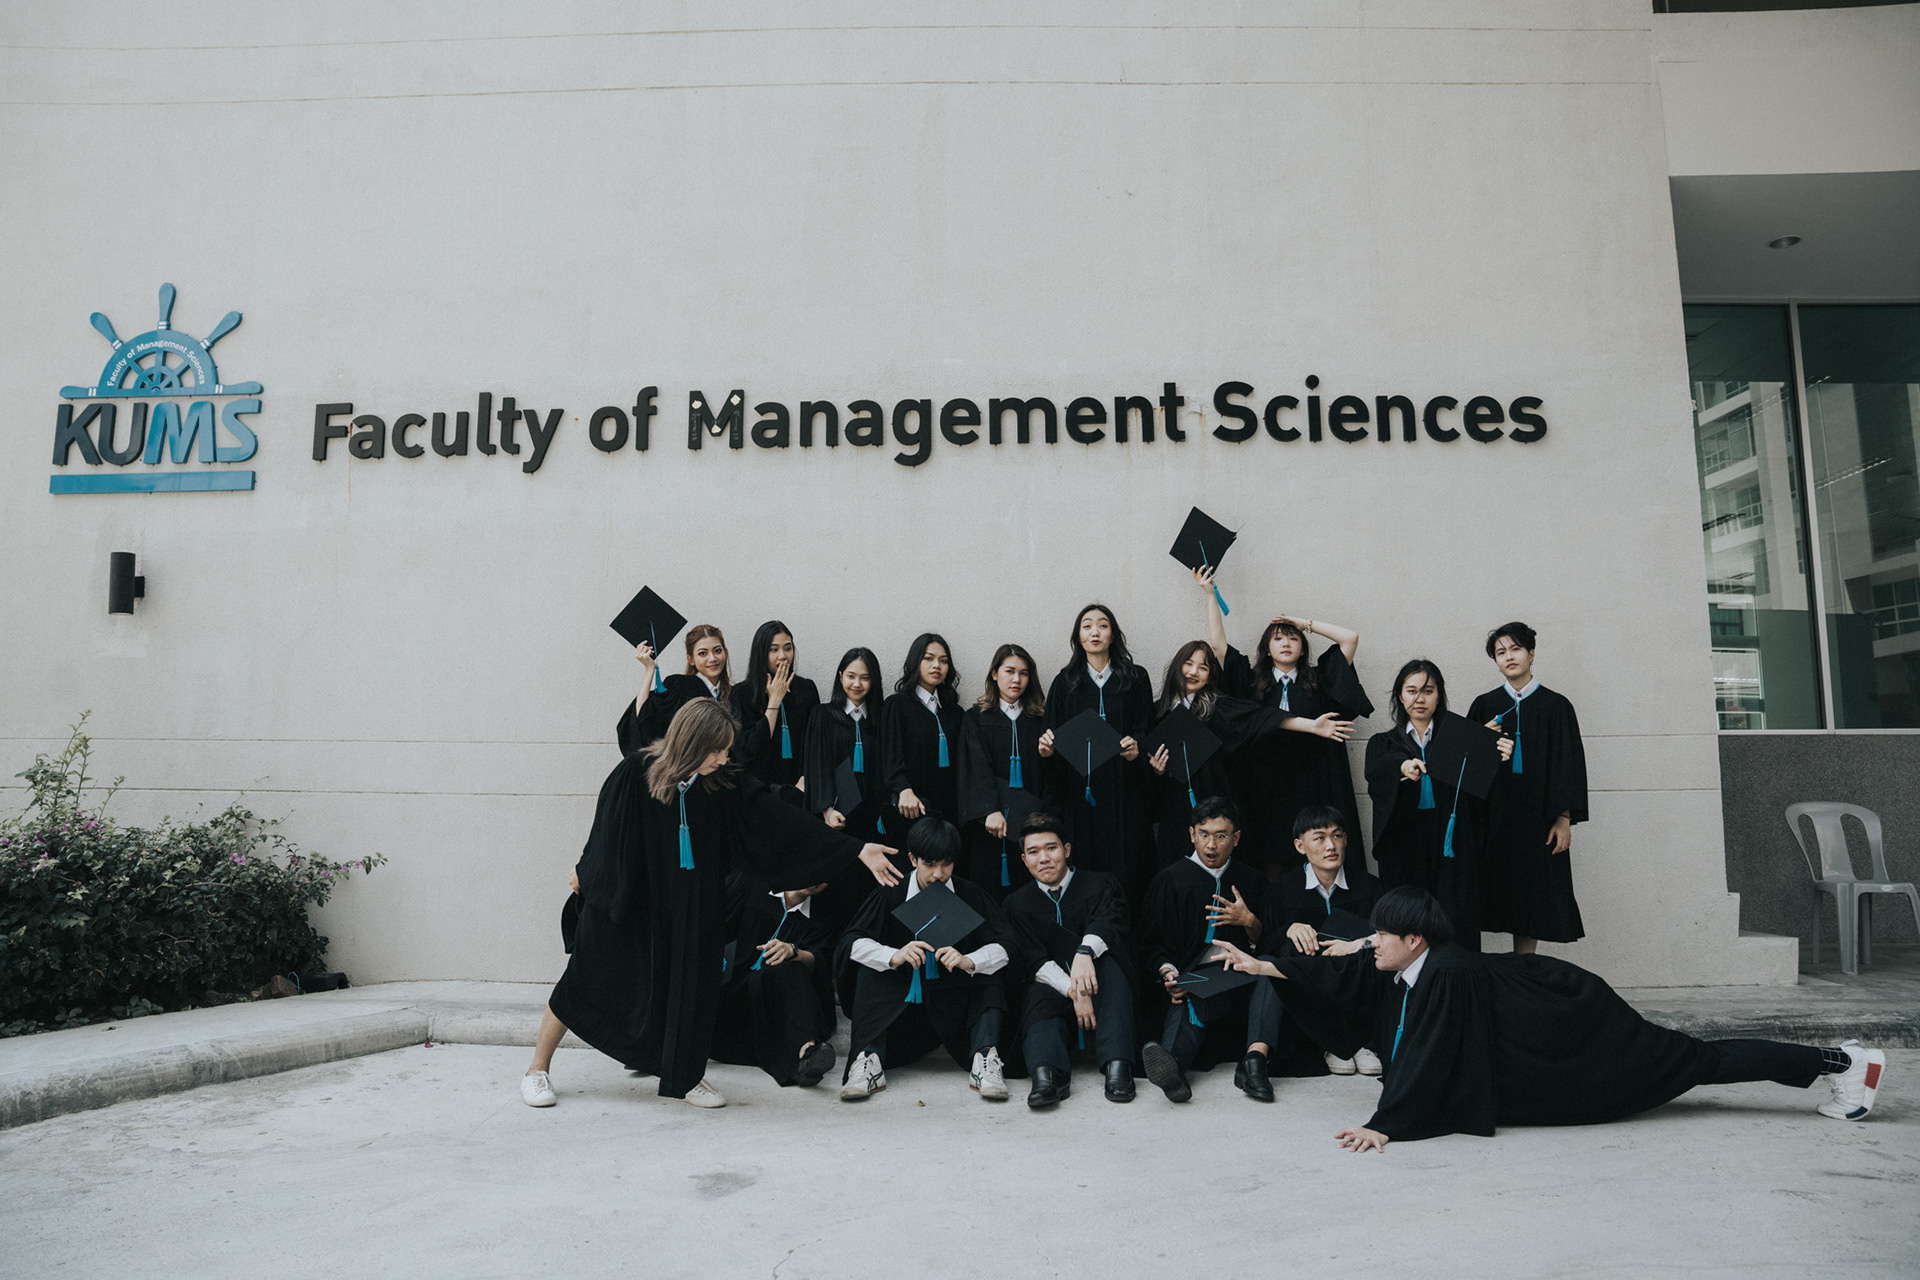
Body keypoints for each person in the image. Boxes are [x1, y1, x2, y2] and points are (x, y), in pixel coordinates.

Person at [1211, 887, 1890, 1150]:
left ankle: (1843, 1061)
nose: (1372, 944)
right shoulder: (1414, 963)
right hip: (1553, 1022)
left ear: (1414, 940)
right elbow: (1345, 976)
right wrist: (1262, 966)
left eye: (1382, 936)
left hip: (1579, 1028)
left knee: (1693, 1060)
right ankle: (1840, 1061)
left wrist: (1385, 1123)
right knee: (1693, 1058)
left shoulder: (1446, 974)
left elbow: (1432, 1055)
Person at [522, 698, 900, 1109]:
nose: (723, 758)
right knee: (584, 976)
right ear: (691, 744)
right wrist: (588, 872)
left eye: (726, 749)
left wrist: (854, 849)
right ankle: (537, 1070)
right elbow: (606, 832)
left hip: (690, 905)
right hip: (631, 899)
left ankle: (685, 1076)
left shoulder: (721, 784)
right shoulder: (635, 772)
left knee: (690, 989)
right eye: (716, 750)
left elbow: (778, 820)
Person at [835, 818, 1013, 1102]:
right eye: (929, 864)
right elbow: (851, 943)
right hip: (901, 1017)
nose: (938, 874)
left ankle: (985, 1058)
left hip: (954, 1013)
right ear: (912, 859)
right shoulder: (890, 894)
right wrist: (893, 955)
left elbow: (1006, 946)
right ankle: (868, 1060)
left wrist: (969, 960)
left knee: (986, 970)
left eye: (946, 864)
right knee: (874, 966)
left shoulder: (970, 896)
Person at [1144, 624, 1349, 871]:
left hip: (1216, 801)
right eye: (1188, 664)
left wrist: (1311, 726)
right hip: (1175, 808)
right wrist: (1156, 771)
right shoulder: (1157, 713)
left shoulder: (1219, 708)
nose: (1194, 672)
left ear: (1210, 676)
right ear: (1177, 667)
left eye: (1203, 667)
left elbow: (1263, 718)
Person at [1207, 577, 1372, 874]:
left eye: (1293, 638)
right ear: (1267, 649)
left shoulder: (1319, 680)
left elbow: (1350, 638)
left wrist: (1303, 623)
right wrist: (1210, 595)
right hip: (1263, 782)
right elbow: (1218, 647)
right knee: (1269, 857)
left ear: (1303, 649)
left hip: (1314, 779)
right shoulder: (1250, 681)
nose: (1286, 643)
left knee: (1315, 850)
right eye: (1278, 639)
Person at [1135, 797, 1284, 1104]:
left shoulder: (1251, 880)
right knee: (1188, 996)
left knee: (1270, 966)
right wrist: (1168, 973)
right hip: (1194, 982)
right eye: (1204, 834)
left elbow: (1270, 941)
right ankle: (1172, 1069)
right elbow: (1151, 943)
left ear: (1236, 838)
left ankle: (1254, 1064)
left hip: (1241, 979)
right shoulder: (1170, 880)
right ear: (1192, 834)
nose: (1211, 845)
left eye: (1221, 835)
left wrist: (1249, 921)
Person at [1364, 659, 1510, 953]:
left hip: (1451, 846)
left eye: (1428, 691)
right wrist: (1403, 767)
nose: (1419, 699)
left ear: (1439, 695)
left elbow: (1481, 793)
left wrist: (1493, 753)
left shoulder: (1458, 740)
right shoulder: (1384, 743)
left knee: (1455, 918)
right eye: (1412, 690)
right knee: (1406, 920)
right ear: (1400, 696)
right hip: (1404, 846)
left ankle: (1457, 976)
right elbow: (1377, 773)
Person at [1000, 810, 1137, 1106]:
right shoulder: (1016, 904)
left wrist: (1084, 954)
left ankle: (1118, 1065)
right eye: (1033, 852)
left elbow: (1110, 923)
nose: (1044, 858)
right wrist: (1075, 990)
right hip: (1053, 988)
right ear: (1024, 859)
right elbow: (1031, 958)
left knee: (1111, 969)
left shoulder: (1100, 884)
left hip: (1099, 981)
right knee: (1036, 993)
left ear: (1067, 849)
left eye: (1051, 848)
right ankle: (1047, 1073)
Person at [1468, 622, 1590, 954]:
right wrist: (1481, 741)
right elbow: (1465, 770)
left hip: (1539, 820)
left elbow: (1568, 765)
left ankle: (1525, 965)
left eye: (1515, 649)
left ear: (1531, 654)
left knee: (1533, 901)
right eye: (1500, 652)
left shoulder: (1556, 706)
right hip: (1495, 818)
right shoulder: (1484, 705)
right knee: (1493, 892)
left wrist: (1563, 818)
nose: (1508, 657)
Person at [1258, 804, 1385, 1077]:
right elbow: (1266, 945)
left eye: (1337, 836)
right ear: (1300, 846)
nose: (1331, 846)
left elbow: (1388, 938)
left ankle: (1359, 1043)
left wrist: (1358, 943)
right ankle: (1329, 1043)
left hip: (1356, 983)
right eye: (1319, 838)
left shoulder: (1369, 887)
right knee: (1290, 952)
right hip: (1310, 989)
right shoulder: (1282, 890)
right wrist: (1288, 929)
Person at [1041, 603, 1156, 904]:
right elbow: (1052, 737)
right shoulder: (1065, 682)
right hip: (1081, 793)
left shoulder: (1135, 678)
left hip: (1125, 790)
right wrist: (1047, 749)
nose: (1095, 632)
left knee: (1130, 865)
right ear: (1078, 637)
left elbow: (1146, 728)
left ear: (1113, 635)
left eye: (1103, 625)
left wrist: (1137, 749)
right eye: (1087, 626)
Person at [707, 875, 839, 1088]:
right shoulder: (752, 887)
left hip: (781, 1001)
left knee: (790, 966)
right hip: (741, 997)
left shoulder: (822, 915)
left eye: (823, 876)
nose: (814, 879)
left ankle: (809, 1052)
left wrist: (793, 952)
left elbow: (818, 961)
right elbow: (713, 925)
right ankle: (803, 1055)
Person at [802, 646, 889, 936]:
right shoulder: (823, 715)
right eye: (851, 676)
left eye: (865, 678)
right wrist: (826, 809)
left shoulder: (880, 718)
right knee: (835, 894)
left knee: (867, 893)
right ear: (840, 677)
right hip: (836, 820)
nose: (857, 684)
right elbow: (816, 765)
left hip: (871, 823)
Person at [958, 643, 1048, 899]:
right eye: (1009, 671)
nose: (1016, 679)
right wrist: (990, 810)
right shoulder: (976, 718)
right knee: (987, 884)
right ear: (995, 674)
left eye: (1024, 673)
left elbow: (1050, 775)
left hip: (1031, 821)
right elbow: (975, 767)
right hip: (989, 824)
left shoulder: (1040, 720)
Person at [879, 633, 964, 833]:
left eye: (943, 661)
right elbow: (890, 754)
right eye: (928, 658)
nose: (937, 666)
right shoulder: (897, 705)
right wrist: (903, 789)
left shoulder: (954, 712)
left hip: (949, 809)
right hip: (911, 806)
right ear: (915, 662)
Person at [728, 620, 819, 796]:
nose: (783, 656)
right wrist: (774, 701)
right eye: (774, 649)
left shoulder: (806, 689)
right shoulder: (742, 693)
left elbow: (814, 741)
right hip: (759, 791)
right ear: (761, 653)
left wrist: (805, 778)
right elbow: (747, 752)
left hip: (801, 788)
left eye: (788, 648)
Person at [619, 624, 731, 756]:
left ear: (725, 652)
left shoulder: (734, 694)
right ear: (691, 659)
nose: (712, 658)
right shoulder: (681, 686)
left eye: (717, 650)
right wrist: (649, 669)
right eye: (703, 653)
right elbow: (645, 719)